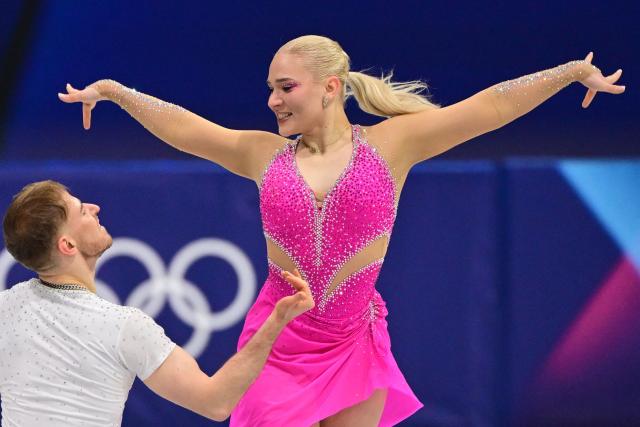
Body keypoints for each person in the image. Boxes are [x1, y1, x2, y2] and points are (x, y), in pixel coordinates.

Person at [58, 35, 624, 426]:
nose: (273, 100)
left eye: (286, 87)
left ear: (330, 87)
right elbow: (188, 130)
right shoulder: (262, 155)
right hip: (277, 347)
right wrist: (114, 91)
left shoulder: (393, 146)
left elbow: (486, 109)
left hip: (355, 342)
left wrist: (569, 73)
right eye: (271, 89)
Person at [0, 180, 314, 426]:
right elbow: (215, 402)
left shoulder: (5, 309)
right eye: (81, 211)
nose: (94, 208)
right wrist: (276, 322)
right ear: (67, 245)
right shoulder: (123, 327)